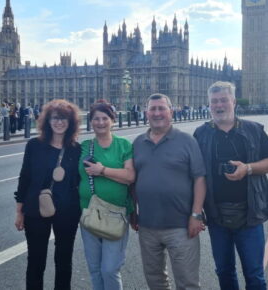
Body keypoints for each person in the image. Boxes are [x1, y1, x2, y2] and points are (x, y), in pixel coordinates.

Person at [193, 81, 268, 290]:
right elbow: (195, 175)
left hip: (249, 214)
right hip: (216, 216)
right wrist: (195, 212)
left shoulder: (253, 130)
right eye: (214, 101)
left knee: (254, 274)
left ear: (234, 102)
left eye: (223, 100)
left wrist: (247, 168)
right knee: (224, 271)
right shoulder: (201, 134)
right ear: (209, 104)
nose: (219, 105)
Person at [132, 93, 206, 290]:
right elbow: (133, 180)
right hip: (147, 226)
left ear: (171, 112)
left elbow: (200, 178)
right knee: (155, 281)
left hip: (181, 226)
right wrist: (133, 210)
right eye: (152, 109)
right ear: (146, 113)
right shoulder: (138, 143)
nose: (157, 113)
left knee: (187, 283)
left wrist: (196, 215)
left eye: (161, 108)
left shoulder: (186, 141)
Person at [14, 99, 82, 290]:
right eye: (55, 118)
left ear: (71, 123)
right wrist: (20, 211)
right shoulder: (34, 145)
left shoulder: (76, 149)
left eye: (64, 119)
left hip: (67, 211)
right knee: (36, 261)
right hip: (36, 209)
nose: (59, 122)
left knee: (64, 261)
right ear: (47, 121)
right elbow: (25, 177)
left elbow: (80, 181)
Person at [79, 99, 135, 290]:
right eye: (96, 119)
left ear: (113, 120)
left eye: (104, 118)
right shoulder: (84, 146)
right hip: (89, 212)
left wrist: (102, 170)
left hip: (116, 214)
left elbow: (130, 176)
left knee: (110, 269)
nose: (100, 122)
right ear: (91, 121)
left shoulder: (123, 145)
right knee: (95, 269)